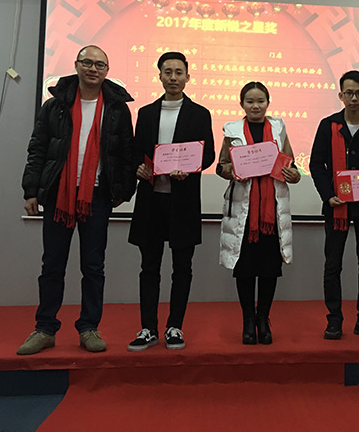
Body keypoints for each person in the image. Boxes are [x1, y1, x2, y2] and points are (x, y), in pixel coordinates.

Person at [18, 45, 135, 355]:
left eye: (100, 64)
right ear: (77, 65)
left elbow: (126, 153)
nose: (93, 69)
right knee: (52, 265)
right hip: (59, 193)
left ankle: (88, 327)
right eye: (88, 62)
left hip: (96, 196)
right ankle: (45, 328)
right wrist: (31, 190)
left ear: (107, 71)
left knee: (93, 266)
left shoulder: (117, 109)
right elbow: (38, 149)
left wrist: (123, 190)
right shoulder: (55, 105)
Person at [127, 52, 215, 351]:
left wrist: (189, 169)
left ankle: (175, 327)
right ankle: (148, 328)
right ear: (160, 76)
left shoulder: (199, 113)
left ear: (188, 77)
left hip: (183, 201)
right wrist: (138, 167)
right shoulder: (147, 113)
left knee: (182, 268)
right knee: (149, 267)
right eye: (168, 72)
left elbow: (208, 154)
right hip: (151, 201)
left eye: (179, 72)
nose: (173, 77)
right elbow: (136, 151)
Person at [217, 82, 301, 345]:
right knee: (244, 269)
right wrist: (233, 171)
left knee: (269, 269)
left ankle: (263, 319)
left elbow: (291, 164)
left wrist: (294, 174)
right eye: (250, 101)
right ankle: (248, 320)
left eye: (260, 101)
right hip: (243, 212)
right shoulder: (232, 130)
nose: (255, 106)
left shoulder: (278, 128)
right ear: (242, 104)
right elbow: (221, 166)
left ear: (268, 102)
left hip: (271, 213)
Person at [310, 70, 359, 340]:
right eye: (348, 93)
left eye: (358, 93)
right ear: (341, 95)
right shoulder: (328, 125)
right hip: (337, 205)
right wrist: (328, 195)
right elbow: (316, 164)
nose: (353, 98)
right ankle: (334, 320)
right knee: (333, 266)